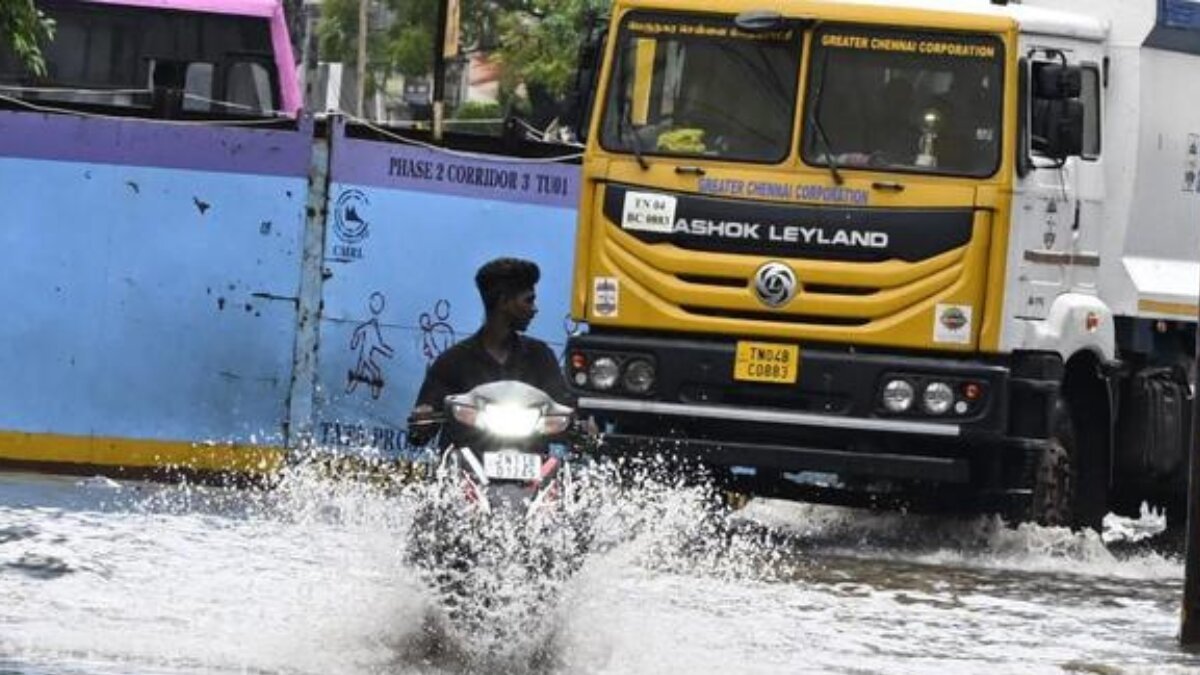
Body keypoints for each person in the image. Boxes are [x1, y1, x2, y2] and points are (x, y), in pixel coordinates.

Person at [407, 257, 570, 446]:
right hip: (467, 463)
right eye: (528, 300)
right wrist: (422, 419)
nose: (534, 309)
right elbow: (420, 433)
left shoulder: (540, 356)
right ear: (503, 301)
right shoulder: (452, 362)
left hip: (532, 462)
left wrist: (579, 424)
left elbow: (563, 411)